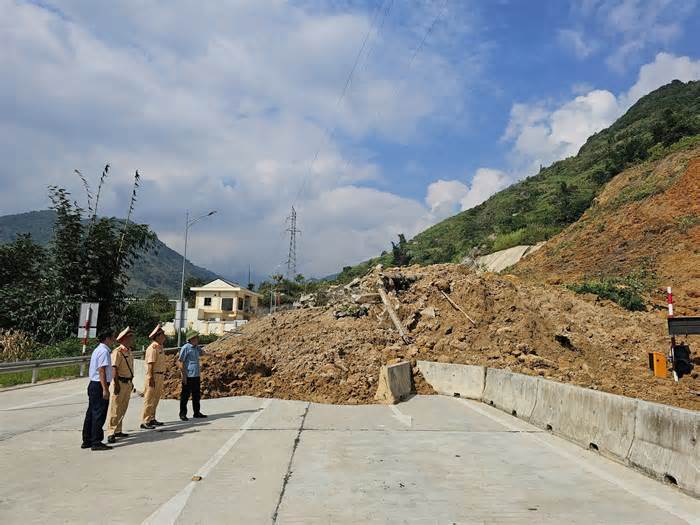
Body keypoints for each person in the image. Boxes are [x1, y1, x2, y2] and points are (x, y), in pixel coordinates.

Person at [81, 329, 114, 451]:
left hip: (94, 385)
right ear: (107, 339)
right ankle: (96, 441)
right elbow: (102, 371)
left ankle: (87, 439)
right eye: (112, 338)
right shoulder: (104, 351)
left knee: (91, 413)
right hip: (99, 385)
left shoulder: (98, 349)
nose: (113, 340)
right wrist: (105, 389)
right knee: (99, 414)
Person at [106, 326, 135, 443]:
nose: (132, 340)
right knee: (115, 408)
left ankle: (118, 429)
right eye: (130, 337)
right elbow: (114, 369)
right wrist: (116, 384)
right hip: (120, 382)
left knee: (123, 407)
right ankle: (111, 432)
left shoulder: (129, 351)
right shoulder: (117, 352)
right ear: (124, 339)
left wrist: (131, 382)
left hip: (127, 382)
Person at [140, 324, 167, 430]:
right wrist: (151, 378)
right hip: (153, 376)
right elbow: (150, 364)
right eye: (162, 335)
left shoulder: (160, 347)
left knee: (155, 399)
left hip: (159, 375)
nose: (164, 337)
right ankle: (145, 420)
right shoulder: (153, 348)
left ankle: (152, 418)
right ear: (158, 336)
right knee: (149, 399)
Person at [178, 330, 207, 421]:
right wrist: (184, 375)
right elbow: (180, 361)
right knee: (185, 396)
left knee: (196, 395)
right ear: (191, 339)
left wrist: (214, 355)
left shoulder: (196, 348)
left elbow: (203, 353)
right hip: (188, 376)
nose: (197, 339)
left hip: (196, 375)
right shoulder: (185, 348)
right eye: (196, 338)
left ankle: (196, 412)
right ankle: (182, 414)